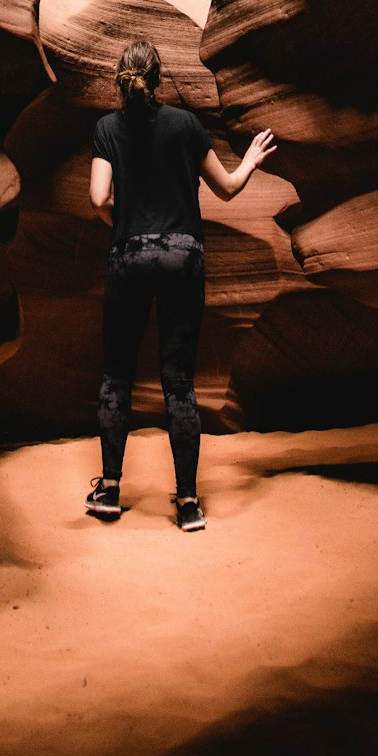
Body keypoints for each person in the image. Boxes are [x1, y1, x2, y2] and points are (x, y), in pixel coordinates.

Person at [85, 39, 276, 532]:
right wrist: (251, 158)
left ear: (120, 79)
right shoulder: (186, 125)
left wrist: (124, 223)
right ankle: (188, 503)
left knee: (117, 377)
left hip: (130, 253)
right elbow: (229, 189)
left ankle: (108, 492)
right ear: (159, 77)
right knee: (179, 382)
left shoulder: (107, 129)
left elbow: (98, 197)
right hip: (182, 256)